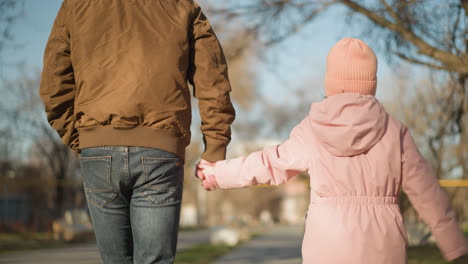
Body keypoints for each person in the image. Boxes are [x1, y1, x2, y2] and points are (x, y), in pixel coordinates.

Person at [198, 38, 468, 264]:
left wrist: (218, 174)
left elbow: (269, 163)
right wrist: (452, 239)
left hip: (328, 241)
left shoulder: (313, 129)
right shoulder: (395, 132)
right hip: (383, 240)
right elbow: (426, 189)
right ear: (371, 82)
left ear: (331, 81)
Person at [39, 0, 235, 263]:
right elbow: (213, 80)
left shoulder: (75, 6)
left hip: (98, 150)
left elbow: (55, 86)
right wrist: (214, 147)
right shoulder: (182, 7)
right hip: (160, 151)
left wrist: (84, 140)